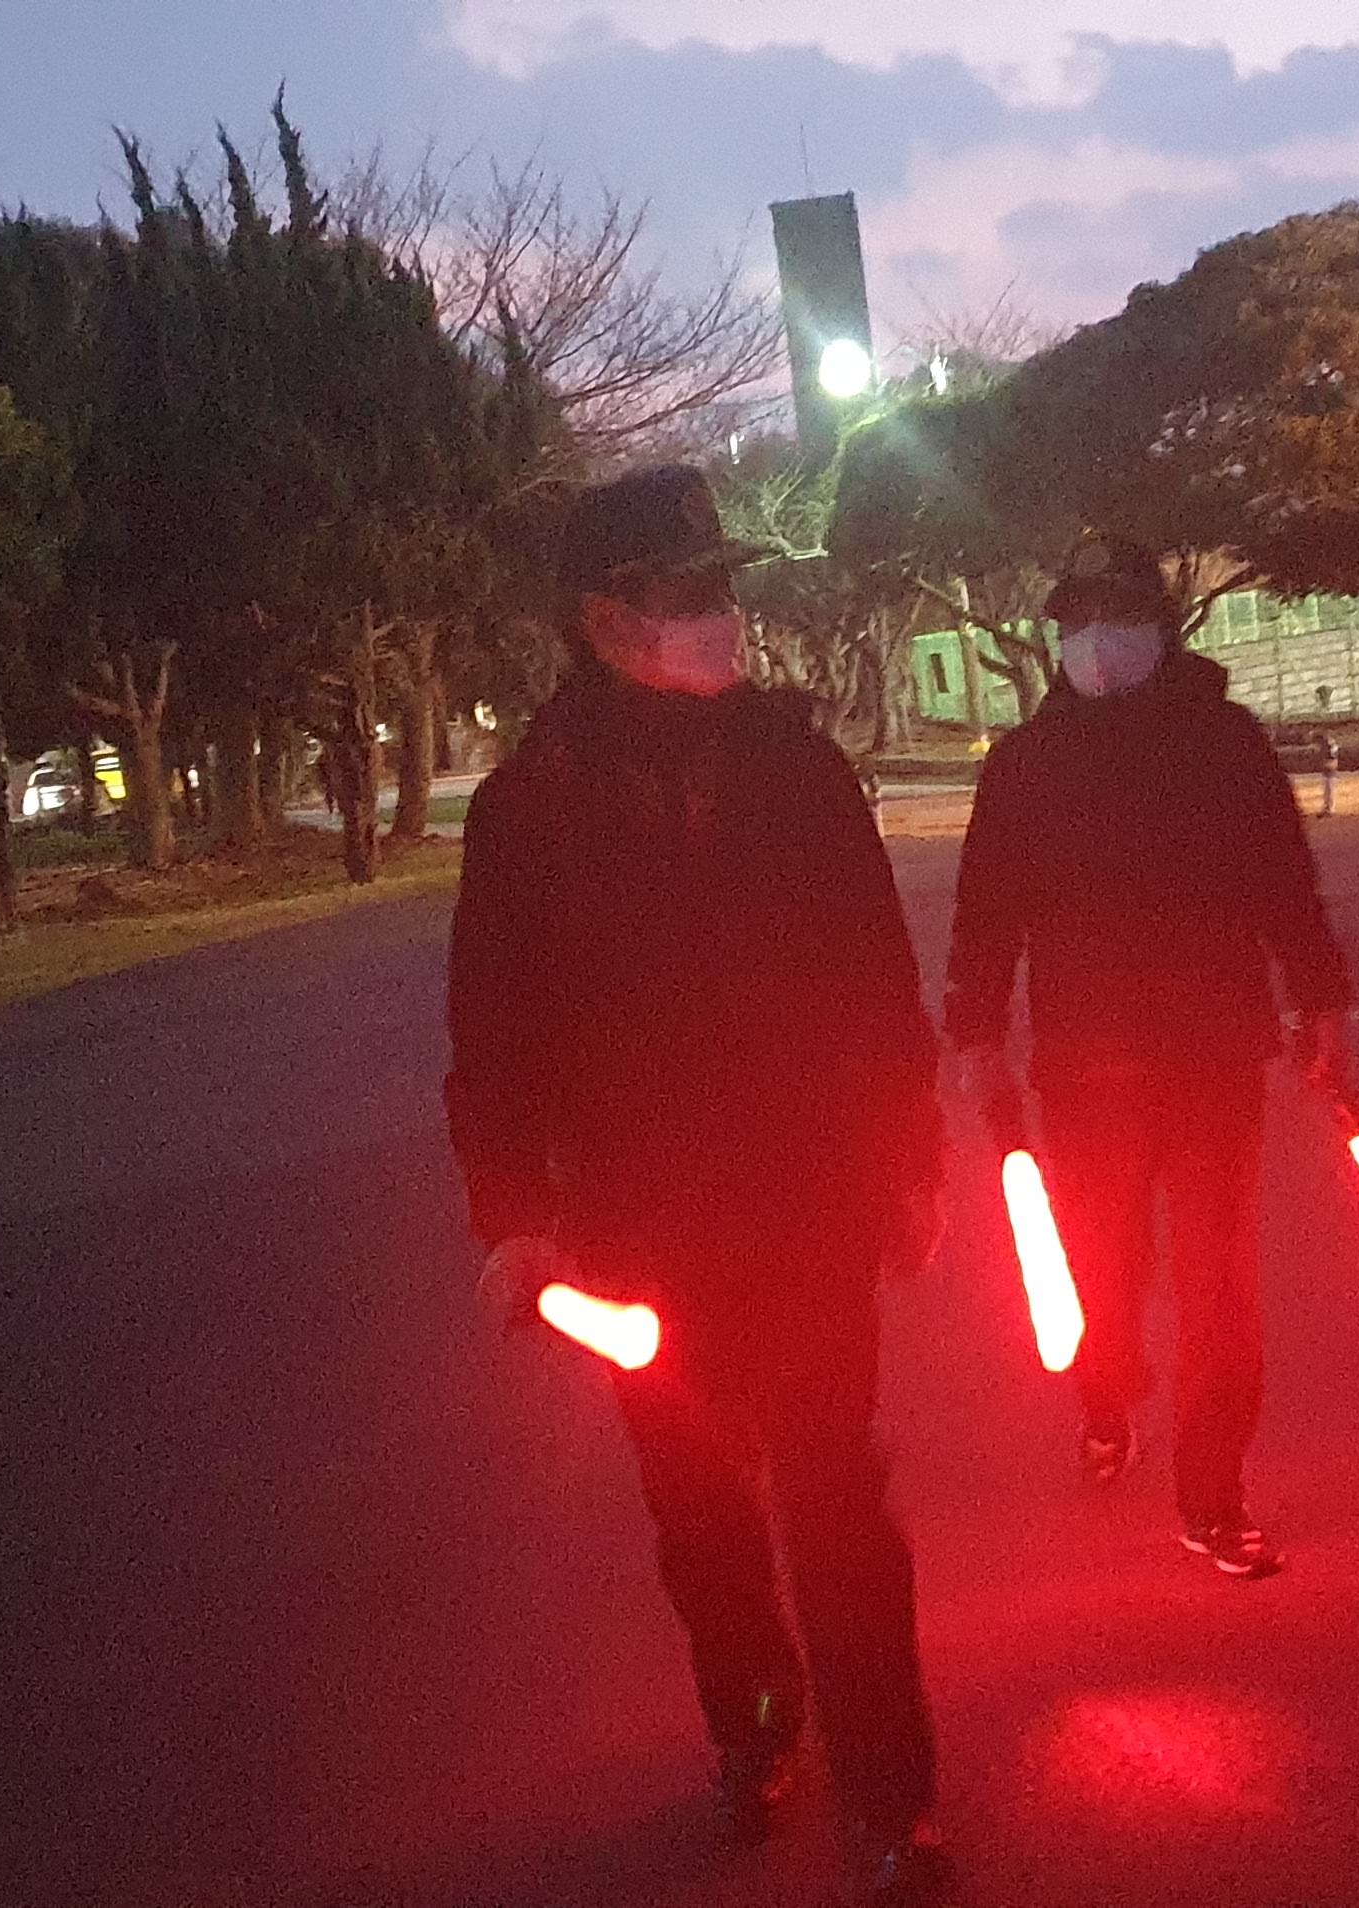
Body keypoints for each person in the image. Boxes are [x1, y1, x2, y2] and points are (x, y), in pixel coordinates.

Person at [446, 465, 954, 1904]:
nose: (716, 614)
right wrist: (513, 1218)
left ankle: (892, 1803)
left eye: (723, 586)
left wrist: (910, 1154)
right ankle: (758, 1723)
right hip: (637, 1234)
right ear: (603, 616)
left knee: (840, 1503)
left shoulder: (800, 769)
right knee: (702, 1515)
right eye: (684, 592)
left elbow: (877, 983)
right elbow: (495, 1035)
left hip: (807, 1204)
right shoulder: (528, 810)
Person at [941, 534, 1349, 1579]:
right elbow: (987, 908)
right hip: (1085, 1066)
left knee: (1219, 1285)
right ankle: (1105, 1394)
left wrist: (1321, 1001)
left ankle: (1214, 1492)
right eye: (1077, 621)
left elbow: (1283, 881)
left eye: (1116, 616)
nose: (1096, 640)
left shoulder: (1225, 745)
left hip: (1214, 1056)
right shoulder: (1027, 765)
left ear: (1160, 627)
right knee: (1103, 1270)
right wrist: (977, 1033)